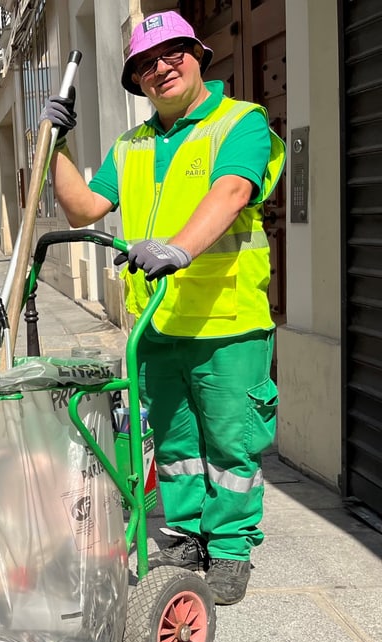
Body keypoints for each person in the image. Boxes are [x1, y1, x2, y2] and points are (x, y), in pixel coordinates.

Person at [42, 10, 285, 605]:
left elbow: (231, 192)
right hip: (154, 325)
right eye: (145, 63)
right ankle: (186, 533)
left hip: (228, 323)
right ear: (137, 82)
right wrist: (55, 147)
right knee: (174, 445)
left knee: (231, 444)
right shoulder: (132, 146)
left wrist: (179, 248)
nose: (160, 67)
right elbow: (82, 209)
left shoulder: (241, 123)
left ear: (198, 54)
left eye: (173, 51)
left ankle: (229, 547)